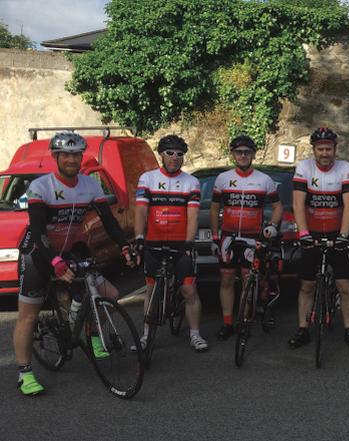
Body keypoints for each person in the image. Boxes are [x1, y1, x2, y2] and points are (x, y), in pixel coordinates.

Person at [13, 132, 135, 396]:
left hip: (69, 251)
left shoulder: (90, 185)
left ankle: (92, 334)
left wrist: (124, 245)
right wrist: (54, 260)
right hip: (38, 253)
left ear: (82, 157)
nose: (71, 159)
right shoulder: (41, 187)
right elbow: (37, 231)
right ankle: (24, 372)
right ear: (56, 157)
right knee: (28, 316)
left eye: (76, 154)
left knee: (110, 295)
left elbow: (109, 221)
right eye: (65, 155)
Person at [134, 135, 208, 352]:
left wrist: (189, 241)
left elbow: (193, 215)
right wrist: (139, 237)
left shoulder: (191, 182)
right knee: (150, 288)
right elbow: (140, 210)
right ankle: (146, 335)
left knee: (188, 290)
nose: (175, 158)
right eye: (170, 153)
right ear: (161, 155)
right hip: (154, 242)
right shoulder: (147, 179)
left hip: (180, 243)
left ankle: (195, 334)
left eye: (180, 154)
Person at [289, 127, 349, 349]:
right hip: (311, 233)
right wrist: (303, 234)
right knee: (307, 285)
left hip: (337, 233)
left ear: (335, 149)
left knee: (345, 286)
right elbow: (298, 204)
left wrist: (344, 235)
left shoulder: (345, 169)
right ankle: (303, 328)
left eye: (328, 149)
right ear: (314, 150)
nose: (324, 153)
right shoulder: (304, 168)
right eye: (320, 149)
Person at [210, 135, 283, 340]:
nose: (243, 156)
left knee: (247, 279)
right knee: (226, 279)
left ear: (253, 154)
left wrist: (273, 226)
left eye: (247, 152)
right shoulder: (223, 179)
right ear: (232, 154)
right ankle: (227, 323)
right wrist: (215, 237)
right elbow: (215, 209)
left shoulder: (264, 180)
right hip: (228, 237)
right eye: (239, 152)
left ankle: (244, 320)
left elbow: (277, 207)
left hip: (253, 237)